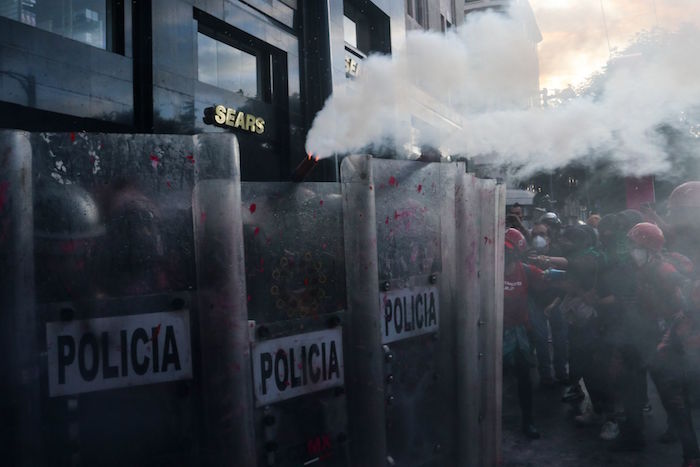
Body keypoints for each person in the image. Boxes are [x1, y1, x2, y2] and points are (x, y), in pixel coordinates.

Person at [504, 228, 548, 439]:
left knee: (524, 380)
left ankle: (528, 421)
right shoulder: (485, 271)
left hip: (520, 334)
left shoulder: (527, 271)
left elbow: (549, 283)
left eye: (507, 251)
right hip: (493, 333)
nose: (503, 255)